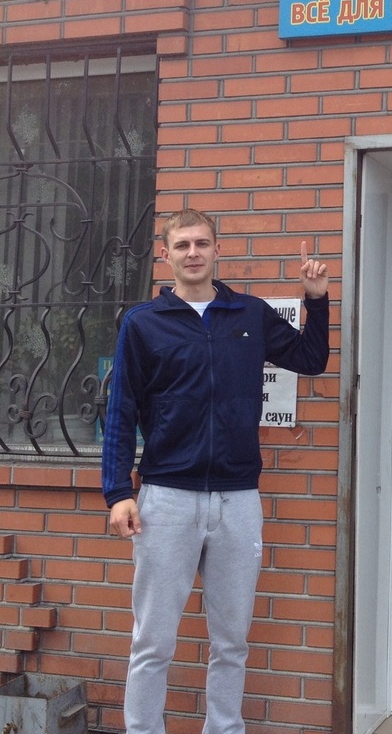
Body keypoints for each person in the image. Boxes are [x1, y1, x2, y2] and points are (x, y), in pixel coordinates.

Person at [102, 208, 330, 734]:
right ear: (166, 254)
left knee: (231, 641)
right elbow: (121, 411)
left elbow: (311, 359)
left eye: (202, 243)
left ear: (217, 249)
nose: (193, 253)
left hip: (237, 499)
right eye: (182, 245)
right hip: (166, 497)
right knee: (152, 640)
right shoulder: (143, 323)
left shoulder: (248, 313)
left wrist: (315, 300)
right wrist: (117, 492)